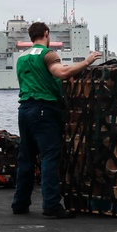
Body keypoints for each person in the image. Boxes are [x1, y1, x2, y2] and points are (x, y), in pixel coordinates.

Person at [11, 21, 102, 219]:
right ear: (46, 33)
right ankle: (51, 204)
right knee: (49, 157)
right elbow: (60, 73)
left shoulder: (22, 58)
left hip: (24, 110)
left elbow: (41, 76)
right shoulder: (48, 54)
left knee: (26, 158)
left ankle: (20, 203)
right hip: (43, 110)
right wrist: (86, 62)